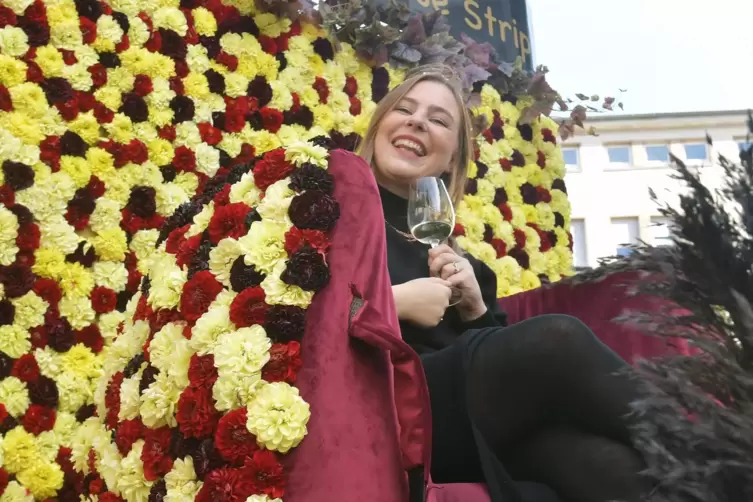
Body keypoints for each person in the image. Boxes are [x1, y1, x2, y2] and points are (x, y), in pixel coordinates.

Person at [356, 64, 649, 502]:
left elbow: (499, 371)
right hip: (384, 401)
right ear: (379, 126)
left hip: (470, 429)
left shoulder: (464, 266)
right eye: (405, 109)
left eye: (438, 120)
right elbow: (285, 315)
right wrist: (391, 302)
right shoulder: (328, 212)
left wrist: (474, 310)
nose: (418, 121)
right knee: (558, 338)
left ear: (453, 155)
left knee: (605, 465)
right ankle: (717, 449)